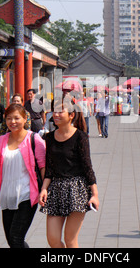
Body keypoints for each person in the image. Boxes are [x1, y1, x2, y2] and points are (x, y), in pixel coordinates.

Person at [0, 104, 46, 248]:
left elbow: (43, 166)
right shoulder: (0, 141)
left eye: (17, 118)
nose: (13, 122)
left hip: (27, 194)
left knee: (16, 238)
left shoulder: (35, 139)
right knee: (12, 241)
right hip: (7, 194)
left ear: (25, 119)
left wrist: (45, 189)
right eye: (9, 118)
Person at [39, 96, 98, 248]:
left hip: (76, 189)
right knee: (52, 239)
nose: (56, 114)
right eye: (54, 111)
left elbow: (87, 166)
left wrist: (95, 194)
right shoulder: (49, 138)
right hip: (56, 189)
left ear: (71, 115)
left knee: (70, 240)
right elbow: (49, 167)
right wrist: (44, 189)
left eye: (60, 111)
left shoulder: (80, 137)